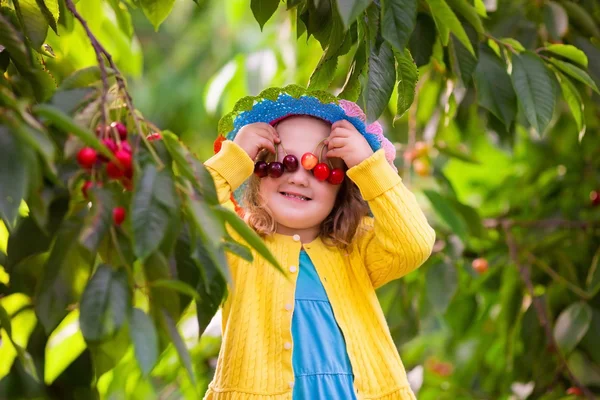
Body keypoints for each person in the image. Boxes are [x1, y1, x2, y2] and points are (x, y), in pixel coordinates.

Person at [203, 87, 436, 400]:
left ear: (344, 188)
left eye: (321, 170)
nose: (299, 178)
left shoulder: (354, 247)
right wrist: (234, 157)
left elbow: (415, 244)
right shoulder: (236, 242)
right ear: (257, 171)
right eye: (283, 162)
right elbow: (183, 218)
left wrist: (370, 166)